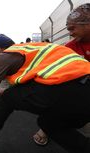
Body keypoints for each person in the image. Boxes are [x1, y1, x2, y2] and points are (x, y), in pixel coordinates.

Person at [0, 34, 90, 153]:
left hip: (66, 86)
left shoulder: (3, 56)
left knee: (6, 99)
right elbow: (19, 93)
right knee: (48, 123)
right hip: (83, 92)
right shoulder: (32, 51)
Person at [33, 3, 90, 146]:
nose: (70, 33)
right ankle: (48, 126)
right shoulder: (70, 47)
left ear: (87, 24)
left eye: (72, 28)